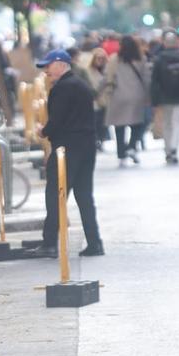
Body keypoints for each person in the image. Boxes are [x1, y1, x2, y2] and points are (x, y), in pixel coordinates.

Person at [31, 49, 104, 258]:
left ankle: (49, 243)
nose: (46, 71)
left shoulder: (62, 88)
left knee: (55, 195)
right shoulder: (80, 85)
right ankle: (94, 242)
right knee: (84, 195)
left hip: (66, 149)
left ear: (62, 65)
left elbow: (57, 121)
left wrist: (43, 131)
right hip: (86, 146)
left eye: (48, 66)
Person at [102, 35, 151, 165]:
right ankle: (131, 146)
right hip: (137, 95)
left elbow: (107, 76)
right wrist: (148, 95)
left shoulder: (114, 59)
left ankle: (121, 153)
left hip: (118, 95)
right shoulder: (141, 58)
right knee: (138, 123)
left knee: (119, 126)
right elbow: (146, 78)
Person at [150, 31, 179, 165]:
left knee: (166, 123)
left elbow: (154, 81)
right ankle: (174, 148)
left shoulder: (159, 59)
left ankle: (168, 149)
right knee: (177, 122)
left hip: (164, 96)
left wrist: (154, 99)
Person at [86, 48, 110, 151]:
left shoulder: (107, 70)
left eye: (102, 58)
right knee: (95, 122)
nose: (100, 60)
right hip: (94, 101)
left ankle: (101, 140)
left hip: (106, 101)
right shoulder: (89, 71)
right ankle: (96, 141)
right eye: (98, 58)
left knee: (104, 123)